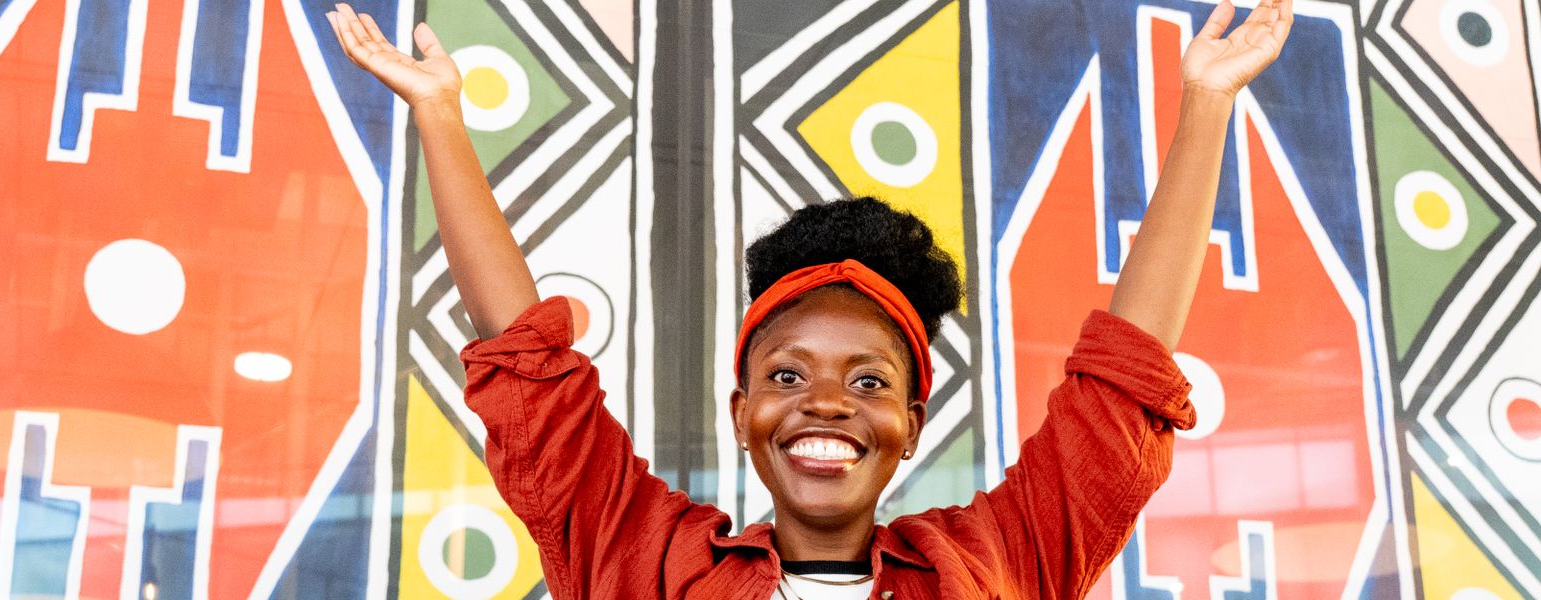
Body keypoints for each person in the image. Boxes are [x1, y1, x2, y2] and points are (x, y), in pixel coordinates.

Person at [328, 1, 1292, 597]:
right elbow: (530, 369)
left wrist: (1208, 103)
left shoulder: (997, 565)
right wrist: (440, 116)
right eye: (788, 375)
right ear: (742, 412)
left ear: (912, 427)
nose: (827, 403)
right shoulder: (648, 567)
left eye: (868, 382)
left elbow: (1121, 384)